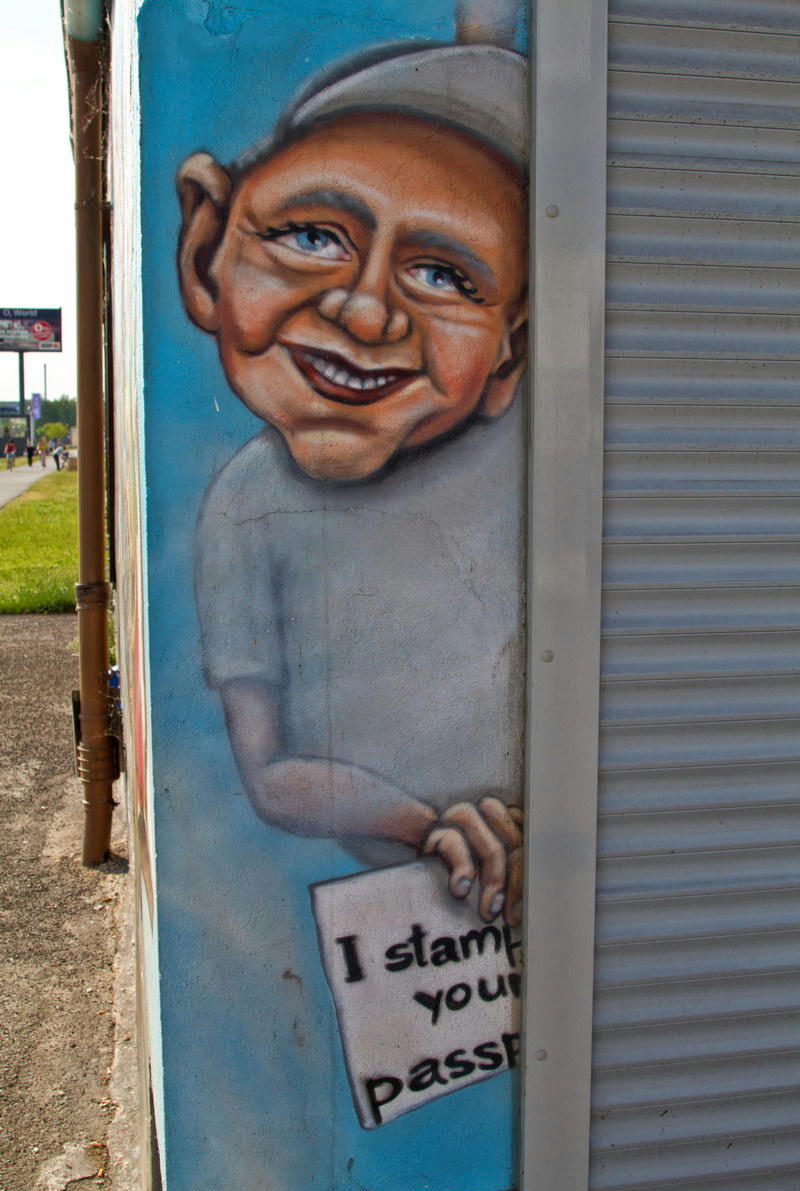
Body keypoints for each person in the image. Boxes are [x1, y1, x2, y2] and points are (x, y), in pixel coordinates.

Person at [178, 40, 528, 926]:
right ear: (205, 247)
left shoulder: (541, 468)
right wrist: (432, 828)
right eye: (312, 236)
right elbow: (271, 771)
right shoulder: (248, 507)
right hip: (409, 924)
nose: (367, 312)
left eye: (444, 275)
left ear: (509, 352)